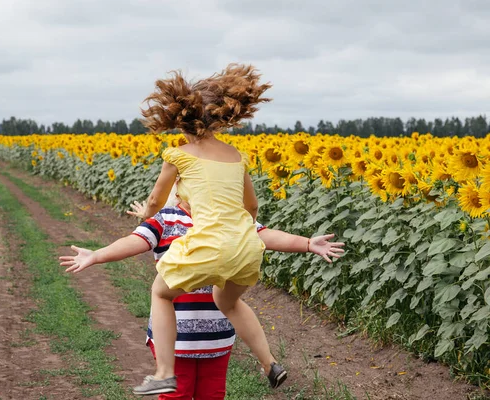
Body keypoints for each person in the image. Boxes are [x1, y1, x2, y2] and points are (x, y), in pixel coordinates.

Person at [65, 63, 285, 395]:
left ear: (182, 121)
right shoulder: (236, 157)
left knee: (160, 292)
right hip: (243, 251)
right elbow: (251, 209)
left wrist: (146, 218)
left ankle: (164, 370)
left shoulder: (178, 156)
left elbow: (155, 200)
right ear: (220, 117)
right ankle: (270, 363)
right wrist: (238, 225)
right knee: (231, 303)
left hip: (204, 256)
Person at [59, 194, 343, 399]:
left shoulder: (231, 220)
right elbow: (134, 242)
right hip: (175, 338)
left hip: (218, 336)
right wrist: (96, 255)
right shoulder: (167, 219)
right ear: (182, 185)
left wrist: (307, 244)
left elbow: (267, 236)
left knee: (213, 394)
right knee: (177, 395)